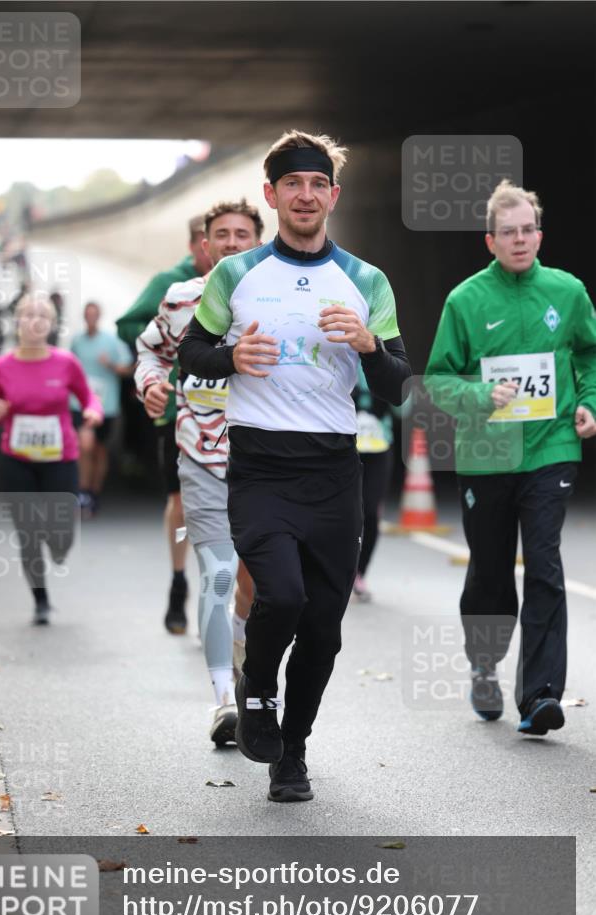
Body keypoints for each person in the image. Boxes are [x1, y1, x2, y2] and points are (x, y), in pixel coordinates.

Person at [178, 130, 411, 802]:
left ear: (332, 196)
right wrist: (230, 359)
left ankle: (293, 754)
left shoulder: (365, 280)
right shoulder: (235, 274)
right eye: (292, 185)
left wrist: (368, 344)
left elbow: (396, 382)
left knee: (324, 629)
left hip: (333, 468)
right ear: (270, 195)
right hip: (259, 461)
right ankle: (256, 685)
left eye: (316, 185)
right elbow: (191, 352)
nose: (304, 195)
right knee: (280, 594)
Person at [425, 179, 596, 735]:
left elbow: (590, 354)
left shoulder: (568, 292)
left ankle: (541, 695)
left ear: (539, 234)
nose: (520, 240)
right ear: (490, 241)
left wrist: (590, 401)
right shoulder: (465, 300)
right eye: (508, 233)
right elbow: (438, 380)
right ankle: (483, 663)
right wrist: (478, 395)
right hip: (487, 456)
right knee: (493, 572)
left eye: (528, 230)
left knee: (544, 565)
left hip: (552, 449)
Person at [136, 199, 263, 746]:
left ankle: (243, 674)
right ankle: (223, 702)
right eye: (221, 235)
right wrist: (151, 384)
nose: (231, 242)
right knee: (216, 573)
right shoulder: (182, 299)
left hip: (267, 461)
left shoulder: (278, 297)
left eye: (242, 234)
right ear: (204, 245)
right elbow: (150, 352)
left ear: (258, 239)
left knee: (254, 585)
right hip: (203, 457)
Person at [0, 291, 103, 625]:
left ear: (51, 324)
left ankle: (59, 547)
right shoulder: (2, 368)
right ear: (18, 322)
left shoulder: (65, 363)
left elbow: (89, 397)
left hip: (60, 458)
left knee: (62, 533)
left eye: (42, 316)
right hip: (16, 459)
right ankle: (40, 599)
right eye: (28, 315)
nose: (35, 321)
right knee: (28, 532)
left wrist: (91, 410)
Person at [117, 217, 212, 635]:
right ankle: (178, 580)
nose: (221, 249)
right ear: (196, 246)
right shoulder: (171, 284)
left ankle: (222, 593)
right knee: (180, 500)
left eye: (238, 237)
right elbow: (130, 327)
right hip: (178, 412)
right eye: (211, 241)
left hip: (234, 419)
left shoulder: (251, 281)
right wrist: (176, 337)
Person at [70, 301, 134, 515]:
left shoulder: (111, 342)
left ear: (99, 317)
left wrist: (111, 365)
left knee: (99, 449)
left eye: (94, 315)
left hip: (106, 405)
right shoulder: (77, 342)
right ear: (83, 317)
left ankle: (94, 492)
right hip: (81, 402)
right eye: (87, 315)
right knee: (84, 445)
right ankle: (83, 491)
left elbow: (129, 368)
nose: (90, 319)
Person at [351, 367, 394, 602]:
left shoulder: (386, 356)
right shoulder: (339, 351)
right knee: (344, 512)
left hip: (379, 446)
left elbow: (404, 405)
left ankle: (360, 572)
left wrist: (389, 390)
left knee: (370, 511)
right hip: (345, 447)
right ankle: (339, 569)